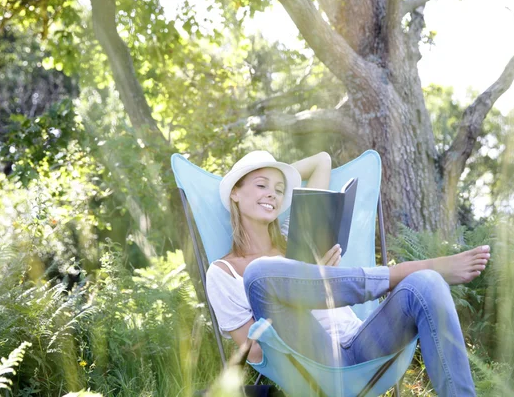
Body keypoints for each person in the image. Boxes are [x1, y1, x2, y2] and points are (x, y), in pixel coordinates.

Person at [205, 150, 490, 397]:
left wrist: (319, 278)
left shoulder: (296, 237)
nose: (273, 194)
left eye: (280, 190)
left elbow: (321, 162)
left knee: (426, 282)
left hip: (363, 347)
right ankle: (396, 274)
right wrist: (300, 290)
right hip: (313, 364)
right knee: (260, 274)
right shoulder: (222, 273)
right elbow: (255, 354)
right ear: (235, 193)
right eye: (260, 185)